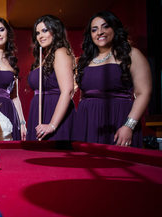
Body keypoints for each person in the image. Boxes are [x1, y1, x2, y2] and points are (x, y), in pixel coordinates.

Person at [74, 11, 151, 147]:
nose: (100, 32)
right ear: (90, 35)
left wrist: (129, 126)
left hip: (119, 120)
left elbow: (143, 93)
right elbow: (82, 96)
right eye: (94, 29)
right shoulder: (84, 60)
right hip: (87, 123)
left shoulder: (131, 55)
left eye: (105, 26)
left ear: (115, 29)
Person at [26, 15, 75, 141]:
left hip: (54, 114)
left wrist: (52, 125)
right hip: (39, 112)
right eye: (37, 33)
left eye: (45, 30)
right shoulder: (44, 57)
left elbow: (68, 90)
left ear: (55, 31)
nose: (40, 36)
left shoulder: (61, 52)